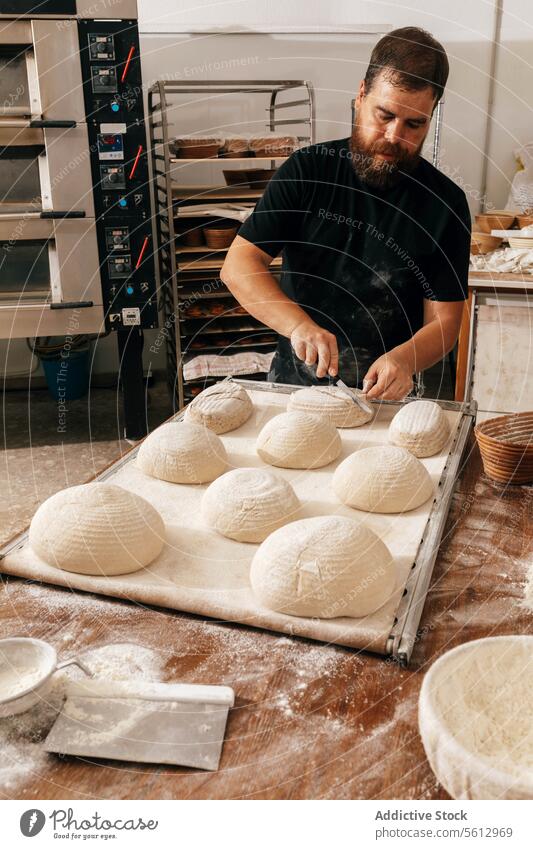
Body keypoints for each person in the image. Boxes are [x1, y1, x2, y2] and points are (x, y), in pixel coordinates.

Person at [220, 26, 471, 401]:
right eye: (383, 115)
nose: (393, 136)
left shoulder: (444, 204)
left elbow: (445, 322)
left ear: (432, 113)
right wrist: (299, 326)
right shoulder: (308, 171)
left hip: (385, 397)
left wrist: (405, 360)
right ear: (360, 96)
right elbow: (239, 266)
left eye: (414, 124)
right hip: (293, 390)